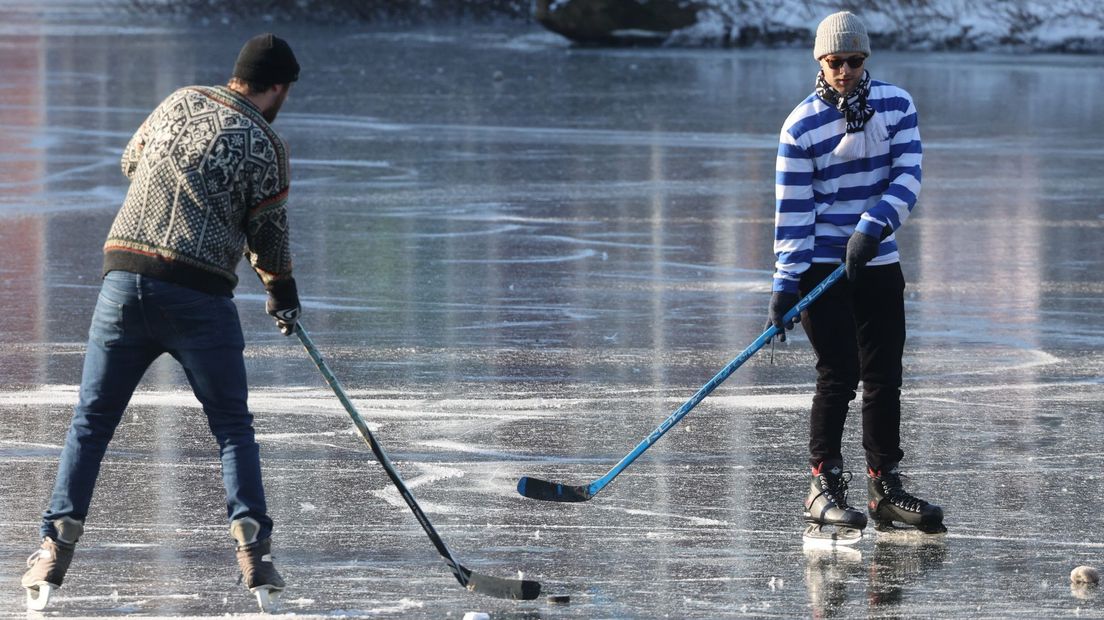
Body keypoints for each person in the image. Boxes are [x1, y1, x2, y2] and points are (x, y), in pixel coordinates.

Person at [21, 33, 301, 612]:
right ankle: (255, 551)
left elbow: (132, 161)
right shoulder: (267, 144)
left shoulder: (177, 102)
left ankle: (53, 547)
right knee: (231, 428)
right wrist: (282, 294)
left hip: (124, 278)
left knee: (91, 424)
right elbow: (268, 236)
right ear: (276, 88)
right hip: (198, 297)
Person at [766, 12, 944, 542]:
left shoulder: (896, 105)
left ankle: (884, 488)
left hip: (877, 258)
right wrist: (786, 282)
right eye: (835, 61)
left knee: (884, 376)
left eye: (855, 60)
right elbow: (793, 209)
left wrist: (873, 227)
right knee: (838, 374)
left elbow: (908, 174)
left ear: (866, 60)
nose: (845, 70)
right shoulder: (800, 126)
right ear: (820, 62)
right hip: (823, 265)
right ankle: (822, 486)